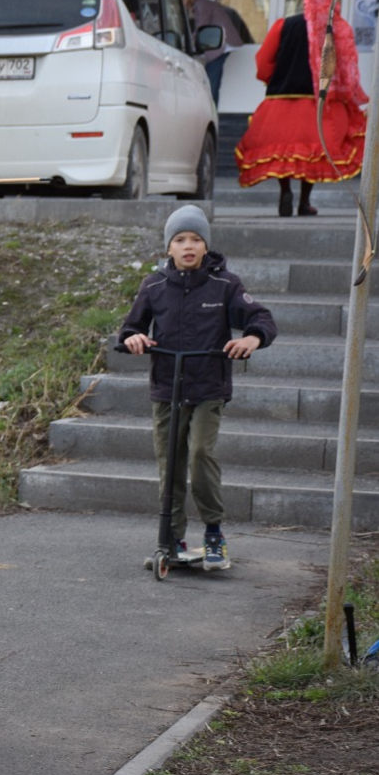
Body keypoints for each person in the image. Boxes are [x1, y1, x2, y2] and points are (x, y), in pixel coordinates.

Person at [118, 205, 276, 571]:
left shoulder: (225, 284)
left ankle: (214, 534)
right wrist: (133, 338)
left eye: (195, 239)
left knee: (201, 455)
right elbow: (130, 328)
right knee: (170, 464)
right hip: (167, 388)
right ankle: (171, 537)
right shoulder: (154, 285)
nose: (188, 246)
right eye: (179, 239)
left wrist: (252, 338)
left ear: (206, 245)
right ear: (168, 247)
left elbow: (260, 317)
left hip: (208, 386)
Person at [236, 0, 368, 216]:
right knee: (314, 152)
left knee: (283, 151)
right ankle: (304, 202)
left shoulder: (284, 25)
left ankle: (285, 191)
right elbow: (347, 68)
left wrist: (272, 78)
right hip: (319, 103)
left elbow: (263, 61)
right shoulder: (337, 28)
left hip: (281, 99)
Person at [180, 0, 243, 105]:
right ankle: (212, 107)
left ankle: (211, 108)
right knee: (212, 76)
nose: (180, 1)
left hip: (222, 43)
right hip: (220, 43)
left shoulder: (201, 5)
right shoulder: (200, 5)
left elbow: (201, 27)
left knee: (211, 78)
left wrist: (186, 41)